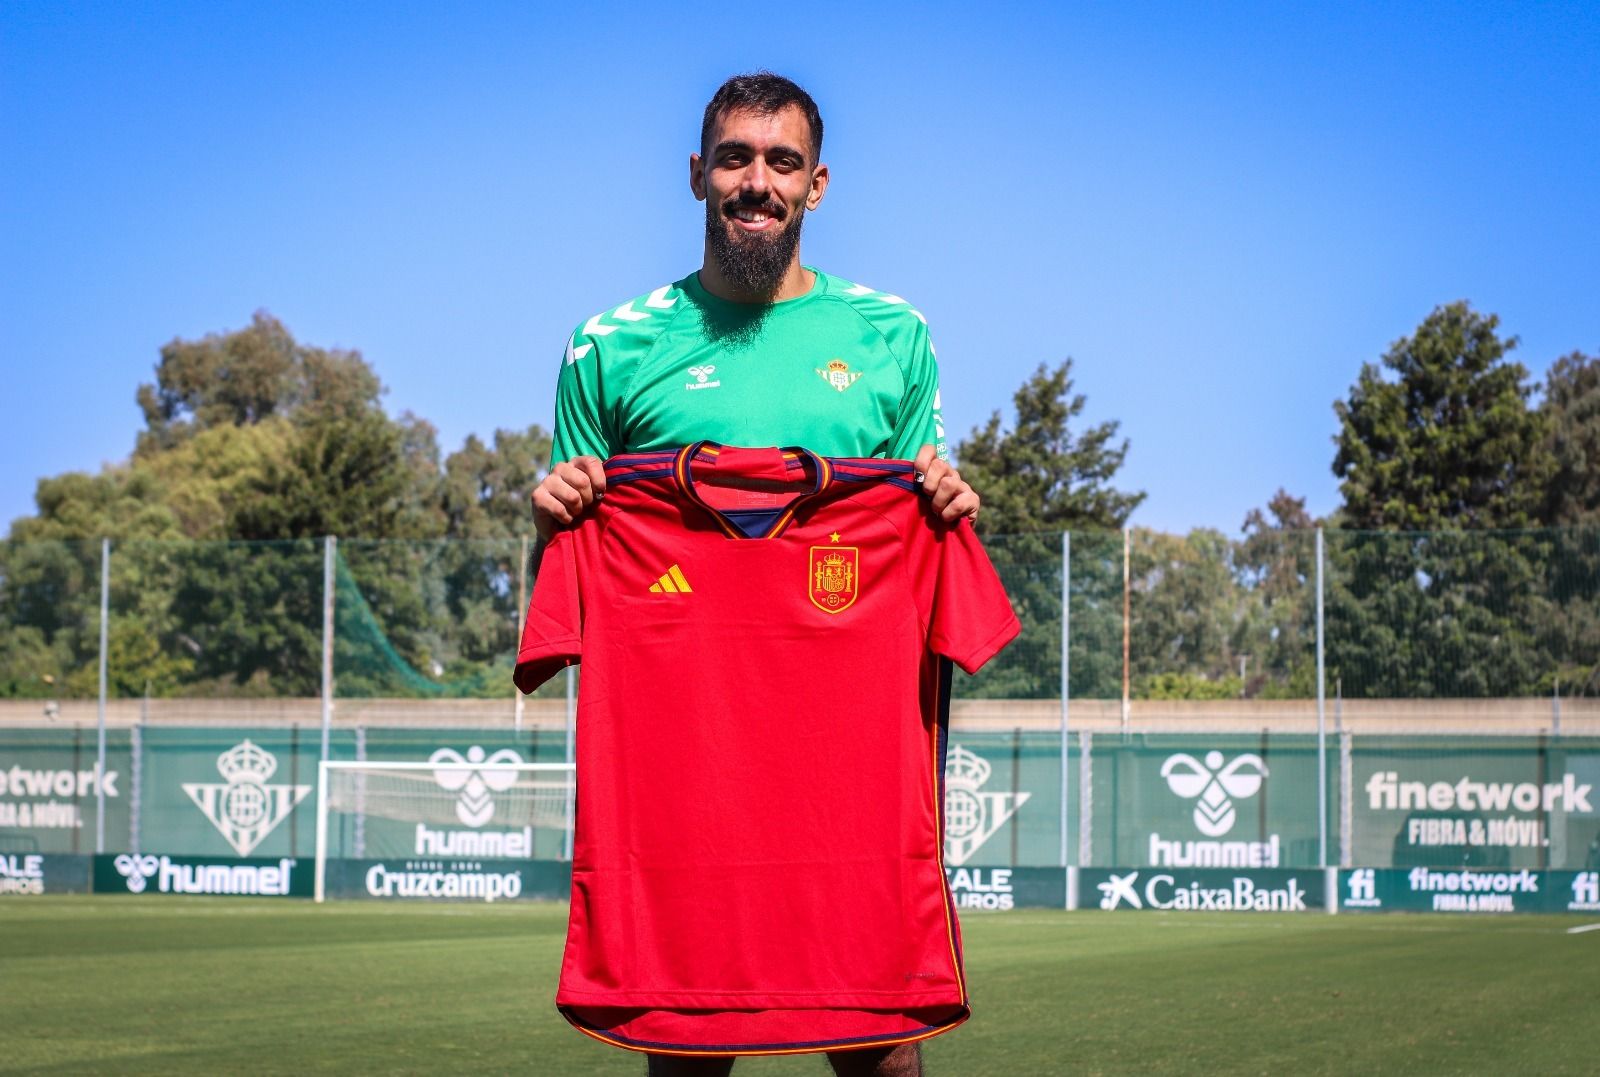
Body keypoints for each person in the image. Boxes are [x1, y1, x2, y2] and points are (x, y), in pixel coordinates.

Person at [529, 72, 980, 1077]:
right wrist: (552, 514)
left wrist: (944, 506)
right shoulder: (607, 346)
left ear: (816, 185)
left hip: (847, 750)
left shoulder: (891, 337)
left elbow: (915, 514)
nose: (755, 181)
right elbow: (573, 567)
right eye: (734, 157)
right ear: (697, 175)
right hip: (683, 752)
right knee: (687, 1043)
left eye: (781, 162)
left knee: (878, 1045)